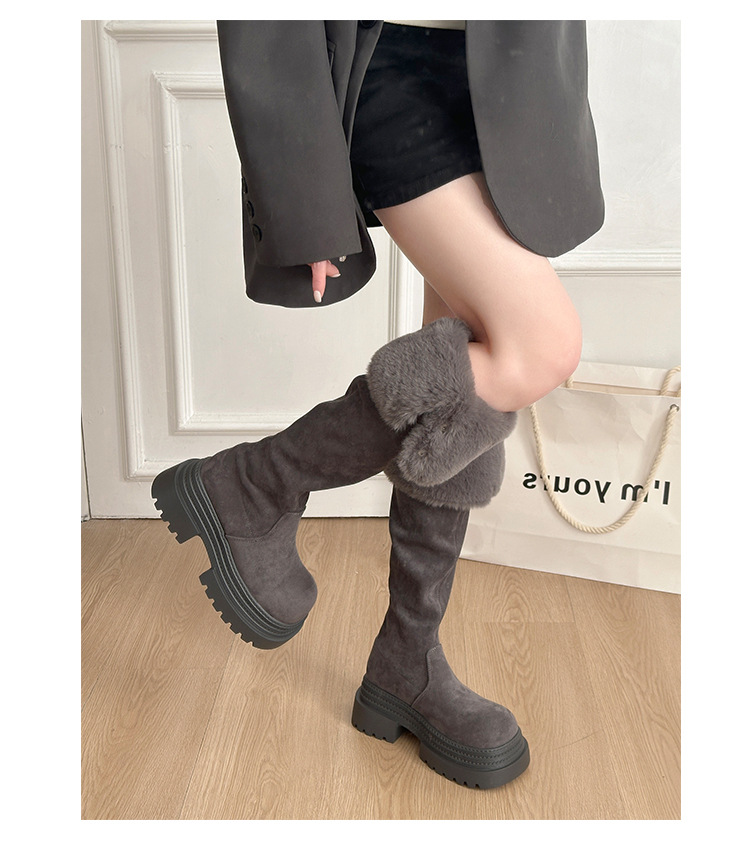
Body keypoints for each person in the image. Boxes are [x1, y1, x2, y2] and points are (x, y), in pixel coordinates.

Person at [152, 20, 604, 789]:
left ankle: (406, 661)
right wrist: (300, 192)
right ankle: (254, 482)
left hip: (509, 81)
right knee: (539, 347)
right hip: (390, 63)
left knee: (467, 350)